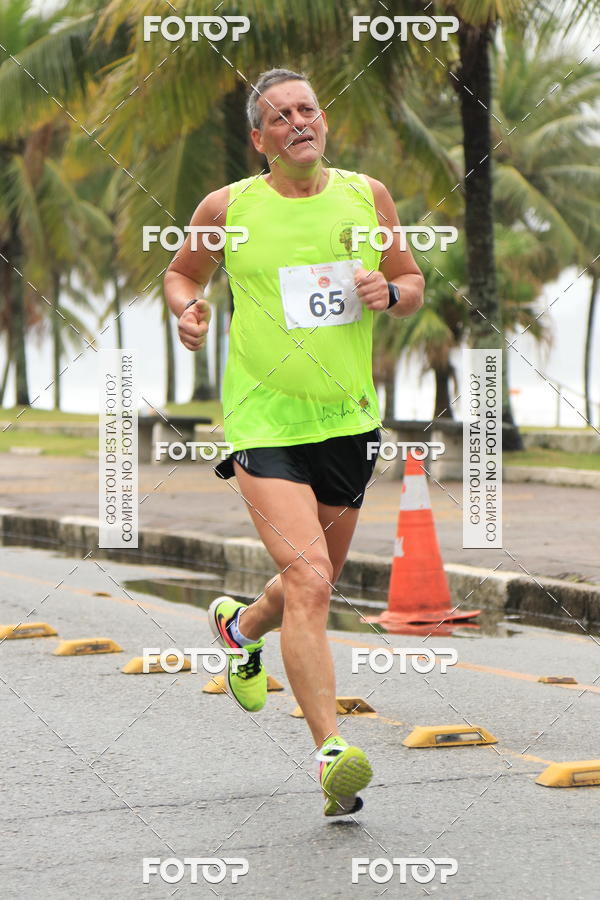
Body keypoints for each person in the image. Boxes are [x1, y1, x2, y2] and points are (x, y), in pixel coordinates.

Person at [164, 68, 424, 817]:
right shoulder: (228, 207)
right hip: (263, 421)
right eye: (280, 116)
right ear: (260, 139)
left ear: (324, 122)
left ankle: (240, 626)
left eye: (308, 109)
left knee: (313, 581)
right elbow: (181, 274)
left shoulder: (367, 196)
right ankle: (330, 753)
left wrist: (390, 294)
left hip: (347, 422)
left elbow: (411, 282)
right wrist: (188, 312)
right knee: (309, 580)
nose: (298, 121)